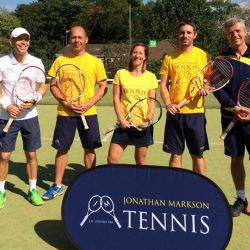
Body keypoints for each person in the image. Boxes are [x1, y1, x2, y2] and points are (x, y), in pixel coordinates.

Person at [42, 26, 107, 200]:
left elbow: (103, 87)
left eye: (80, 37)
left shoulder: (95, 62)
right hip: (65, 114)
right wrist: (64, 101)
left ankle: (91, 183)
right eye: (73, 37)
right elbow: (53, 85)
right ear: (69, 40)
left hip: (89, 113)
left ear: (86, 39)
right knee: (62, 149)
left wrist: (88, 103)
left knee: (90, 148)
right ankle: (57, 186)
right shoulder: (60, 61)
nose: (76, 40)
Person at [0, 27, 46, 208]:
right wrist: (6, 105)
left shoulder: (36, 62)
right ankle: (1, 190)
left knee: (31, 154)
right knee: (4, 156)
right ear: (11, 42)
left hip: (30, 117)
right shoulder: (2, 62)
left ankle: (32, 190)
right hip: (5, 117)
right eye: (19, 39)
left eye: (26, 39)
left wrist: (36, 98)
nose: (23, 42)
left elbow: (42, 86)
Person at [160, 21, 210, 175]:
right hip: (175, 114)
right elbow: (163, 85)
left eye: (189, 32)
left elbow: (209, 79)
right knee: (175, 154)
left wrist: (206, 87)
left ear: (195, 35)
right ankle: (176, 190)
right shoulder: (169, 57)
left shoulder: (203, 55)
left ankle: (201, 190)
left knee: (197, 155)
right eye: (182, 32)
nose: (185, 35)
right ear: (178, 35)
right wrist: (168, 104)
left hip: (196, 113)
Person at [213, 17, 250, 217]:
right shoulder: (221, 59)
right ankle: (241, 199)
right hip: (230, 118)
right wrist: (234, 107)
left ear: (245, 32)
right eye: (230, 33)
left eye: (238, 31)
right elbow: (217, 88)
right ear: (227, 37)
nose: (235, 35)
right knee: (236, 159)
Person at [107, 42, 158, 165]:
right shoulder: (120, 74)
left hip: (143, 126)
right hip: (124, 124)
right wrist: (122, 120)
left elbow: (152, 102)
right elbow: (116, 99)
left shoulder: (151, 77)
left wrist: (148, 120)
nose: (137, 55)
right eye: (135, 52)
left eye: (141, 53)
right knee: (112, 159)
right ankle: (111, 183)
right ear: (130, 55)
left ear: (145, 56)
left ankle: (140, 184)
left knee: (140, 160)